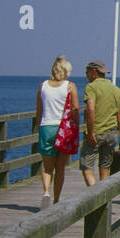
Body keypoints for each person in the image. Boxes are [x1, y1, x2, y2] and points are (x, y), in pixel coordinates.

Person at [35, 55, 79, 209]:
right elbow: (75, 109)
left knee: (47, 167)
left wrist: (38, 129)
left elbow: (39, 112)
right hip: (63, 130)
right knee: (60, 167)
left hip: (46, 127)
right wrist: (76, 125)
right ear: (66, 70)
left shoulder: (43, 86)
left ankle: (46, 192)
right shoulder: (70, 86)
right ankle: (56, 200)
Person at [81, 60, 120, 187]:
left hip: (96, 133)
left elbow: (90, 109)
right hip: (111, 134)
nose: (86, 75)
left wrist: (90, 133)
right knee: (105, 166)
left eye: (87, 72)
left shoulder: (91, 87)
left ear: (94, 72)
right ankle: (104, 200)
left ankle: (95, 196)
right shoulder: (116, 90)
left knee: (86, 166)